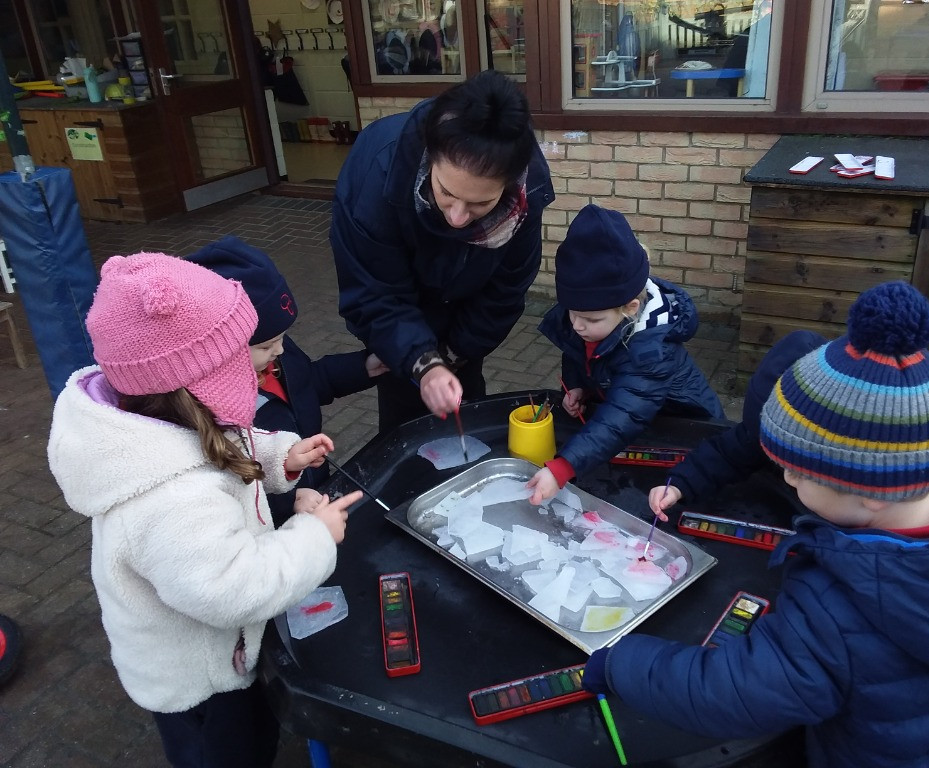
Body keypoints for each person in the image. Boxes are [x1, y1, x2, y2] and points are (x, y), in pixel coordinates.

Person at [583, 281, 929, 768]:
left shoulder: (841, 606)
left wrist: (622, 664)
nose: (787, 478)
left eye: (799, 472)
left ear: (867, 493)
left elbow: (733, 691)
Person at [47, 252, 363, 768]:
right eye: (243, 354)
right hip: (201, 684)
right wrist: (314, 533)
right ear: (199, 378)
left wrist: (277, 456)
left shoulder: (165, 415)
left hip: (225, 652)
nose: (262, 364)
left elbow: (215, 447)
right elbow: (234, 587)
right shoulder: (170, 501)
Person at [330, 69, 555, 433]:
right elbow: (374, 291)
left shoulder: (526, 199)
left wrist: (452, 357)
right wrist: (423, 363)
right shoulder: (378, 173)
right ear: (430, 156)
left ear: (510, 184)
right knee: (406, 421)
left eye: (480, 204)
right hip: (397, 321)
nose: (457, 218)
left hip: (463, 316)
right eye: (446, 193)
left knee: (465, 413)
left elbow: (505, 291)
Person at [526, 205, 724, 504]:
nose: (578, 325)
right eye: (573, 314)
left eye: (591, 320)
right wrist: (579, 385)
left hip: (688, 433)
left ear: (630, 308)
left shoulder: (651, 350)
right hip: (640, 429)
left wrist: (563, 467)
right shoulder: (590, 320)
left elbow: (624, 414)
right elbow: (579, 353)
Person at [189, 236, 387, 527]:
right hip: (273, 523)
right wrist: (287, 500)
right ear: (221, 348)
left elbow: (308, 383)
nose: (279, 350)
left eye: (283, 338)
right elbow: (225, 480)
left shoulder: (275, 355)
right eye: (267, 345)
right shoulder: (206, 408)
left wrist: (364, 368)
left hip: (314, 485)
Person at [648, 329, 826, 519]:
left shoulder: (848, 481)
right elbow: (726, 453)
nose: (789, 476)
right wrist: (679, 485)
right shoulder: (759, 433)